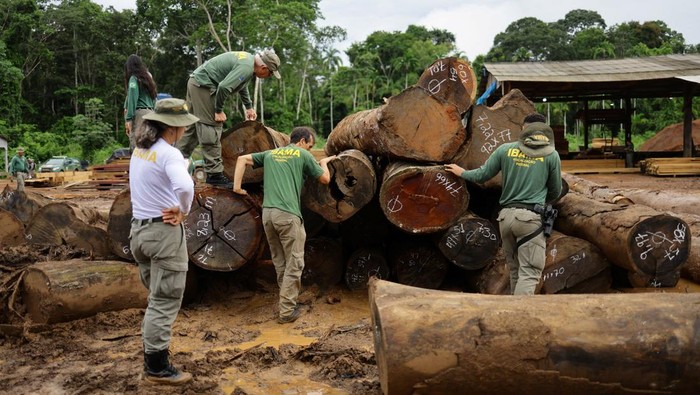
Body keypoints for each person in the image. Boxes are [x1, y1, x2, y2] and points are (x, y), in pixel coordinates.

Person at [445, 121, 562, 295]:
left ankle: (512, 313)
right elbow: (556, 191)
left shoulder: (505, 150)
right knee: (529, 273)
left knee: (515, 271)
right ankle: (520, 314)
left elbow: (483, 175)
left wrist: (462, 172)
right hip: (530, 219)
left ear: (523, 129)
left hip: (505, 218)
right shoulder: (551, 155)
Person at [233, 127, 335, 323]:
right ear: (303, 141)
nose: (311, 150)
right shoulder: (302, 155)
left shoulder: (271, 154)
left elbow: (241, 160)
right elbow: (325, 179)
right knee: (295, 263)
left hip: (268, 215)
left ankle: (286, 302)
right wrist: (323, 162)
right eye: (311, 146)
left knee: (280, 262)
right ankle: (287, 311)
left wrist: (237, 188)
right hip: (288, 215)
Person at [129, 98, 198, 386]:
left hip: (139, 233)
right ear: (175, 127)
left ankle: (152, 354)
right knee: (164, 300)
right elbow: (185, 185)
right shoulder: (168, 154)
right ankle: (156, 367)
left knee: (155, 298)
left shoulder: (140, 150)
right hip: (163, 235)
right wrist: (184, 210)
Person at [178, 49, 282, 189]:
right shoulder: (246, 67)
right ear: (263, 67)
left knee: (194, 128)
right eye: (270, 73)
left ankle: (176, 160)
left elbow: (240, 85)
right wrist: (218, 111)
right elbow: (224, 87)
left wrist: (249, 106)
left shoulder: (248, 62)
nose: (268, 76)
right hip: (203, 85)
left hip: (197, 82)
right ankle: (214, 174)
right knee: (211, 126)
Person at [124, 54, 157, 151]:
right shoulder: (148, 78)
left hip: (140, 114)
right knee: (149, 143)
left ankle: (137, 164)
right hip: (151, 113)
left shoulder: (134, 79)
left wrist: (128, 119)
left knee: (137, 144)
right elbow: (154, 98)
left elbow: (132, 99)